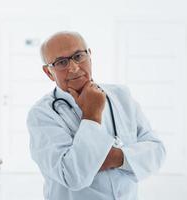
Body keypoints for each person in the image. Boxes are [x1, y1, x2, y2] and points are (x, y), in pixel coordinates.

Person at [26, 31, 166, 200]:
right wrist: (92, 114)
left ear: (89, 56)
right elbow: (72, 176)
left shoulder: (121, 95)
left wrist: (115, 157)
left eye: (78, 56)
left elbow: (157, 151)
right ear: (49, 72)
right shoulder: (42, 115)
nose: (74, 67)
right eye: (61, 62)